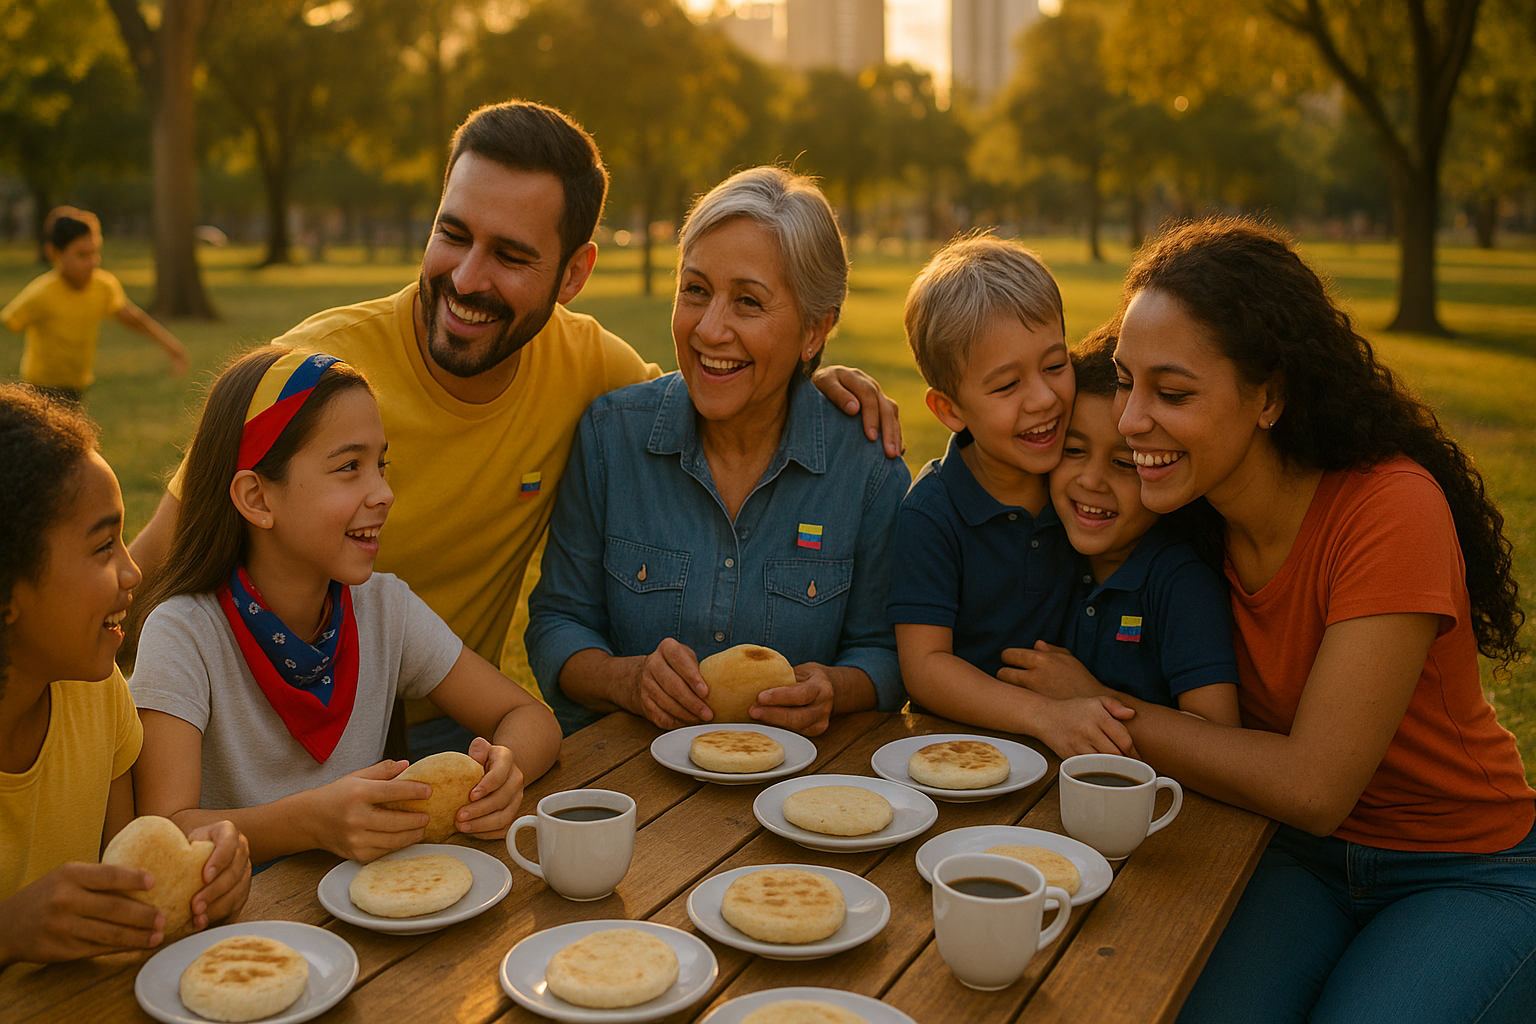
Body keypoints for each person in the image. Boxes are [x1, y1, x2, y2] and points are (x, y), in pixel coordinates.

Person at [125, 101, 898, 748]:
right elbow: (155, 569)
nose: (465, 279)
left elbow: (714, 383)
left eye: (510, 255)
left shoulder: (593, 374)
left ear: (573, 276)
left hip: (450, 728)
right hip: (256, 737)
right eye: (453, 234)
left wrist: (809, 377)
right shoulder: (310, 371)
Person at [1004, 218, 1536, 1024]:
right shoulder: (1183, 506)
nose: (1131, 420)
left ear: (1271, 397)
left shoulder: (1389, 509)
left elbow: (1315, 786)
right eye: (1128, 382)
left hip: (1461, 868)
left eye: (1172, 393)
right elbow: (1011, 443)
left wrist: (1100, 710)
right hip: (1284, 856)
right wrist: (829, 394)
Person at [127, 349, 562, 865]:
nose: (383, 493)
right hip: (243, 929)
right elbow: (167, 830)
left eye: (380, 464)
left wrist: (505, 771)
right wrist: (312, 821)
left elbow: (529, 716)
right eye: (349, 466)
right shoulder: (184, 633)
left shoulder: (383, 609)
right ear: (258, 499)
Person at [525, 167, 908, 737]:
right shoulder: (610, 438)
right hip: (633, 789)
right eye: (696, 290)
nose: (709, 329)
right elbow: (559, 623)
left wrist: (835, 689)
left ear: (814, 330)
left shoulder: (869, 468)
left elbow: (885, 653)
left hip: (798, 792)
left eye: (749, 303)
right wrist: (625, 680)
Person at [0, 385, 248, 967]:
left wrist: (200, 875)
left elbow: (129, 879)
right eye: (102, 547)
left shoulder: (97, 693)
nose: (133, 570)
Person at [888, 234, 1134, 758]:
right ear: (950, 410)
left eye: (1053, 366)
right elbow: (925, 669)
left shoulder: (1081, 489)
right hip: (959, 759)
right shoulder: (932, 511)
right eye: (1006, 387)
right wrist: (1046, 716)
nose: (1043, 399)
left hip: (1076, 752)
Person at [1046, 333, 1239, 725]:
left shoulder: (1180, 581)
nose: (1092, 481)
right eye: (1074, 450)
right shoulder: (1044, 545)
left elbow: (1217, 732)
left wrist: (1092, 698)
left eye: (1124, 463)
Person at [2, 208, 190, 401]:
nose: (92, 262)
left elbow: (133, 319)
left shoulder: (103, 287)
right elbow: (8, 322)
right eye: (82, 255)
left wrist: (173, 348)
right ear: (53, 253)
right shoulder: (40, 294)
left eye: (95, 252)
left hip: (77, 387)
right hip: (40, 390)